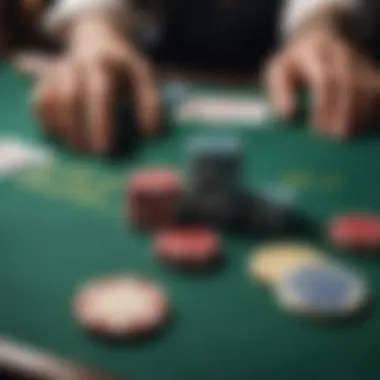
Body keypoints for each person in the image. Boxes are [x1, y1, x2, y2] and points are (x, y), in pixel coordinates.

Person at [25, 0, 380, 155]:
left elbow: (321, 10)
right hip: (164, 87)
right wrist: (94, 28)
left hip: (300, 103)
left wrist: (320, 27)